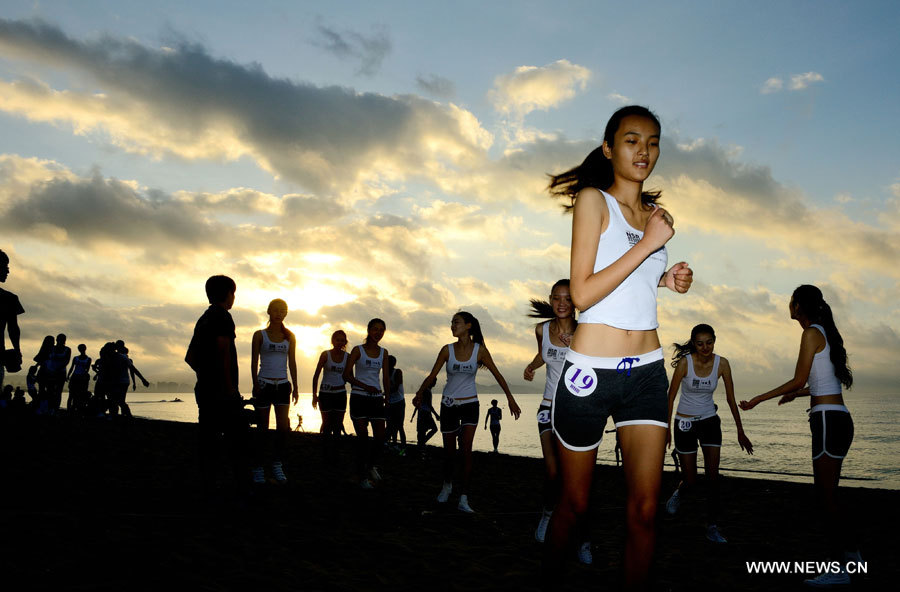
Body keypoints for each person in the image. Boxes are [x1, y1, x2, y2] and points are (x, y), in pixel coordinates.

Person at [543, 105, 693, 590]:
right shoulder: (593, 201)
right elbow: (583, 294)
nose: (643, 151)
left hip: (646, 372)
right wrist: (648, 247)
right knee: (575, 504)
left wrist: (666, 279)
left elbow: (631, 281)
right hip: (590, 372)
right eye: (631, 140)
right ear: (609, 148)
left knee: (647, 509)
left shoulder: (655, 217)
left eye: (652, 142)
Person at [739, 285, 859, 587]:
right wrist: (799, 396)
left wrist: (758, 399)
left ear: (799, 306)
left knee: (825, 498)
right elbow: (821, 383)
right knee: (830, 496)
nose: (788, 305)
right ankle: (852, 555)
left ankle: (839, 569)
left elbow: (798, 378)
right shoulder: (822, 332)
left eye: (791, 301)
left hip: (828, 422)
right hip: (837, 419)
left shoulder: (810, 334)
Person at [414, 311, 522, 513]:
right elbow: (432, 374)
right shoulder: (447, 350)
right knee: (448, 453)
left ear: (468, 325)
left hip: (470, 404)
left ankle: (463, 497)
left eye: (456, 322)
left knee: (465, 451)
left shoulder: (479, 351)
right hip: (448, 405)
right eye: (451, 323)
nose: (452, 326)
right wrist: (420, 392)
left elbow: (498, 374)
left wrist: (510, 398)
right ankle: (447, 487)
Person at [663, 324, 753, 544]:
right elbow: (671, 396)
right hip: (684, 422)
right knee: (691, 480)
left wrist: (741, 431)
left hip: (709, 422)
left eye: (709, 342)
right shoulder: (686, 363)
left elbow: (731, 399)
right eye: (700, 343)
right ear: (694, 343)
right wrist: (667, 430)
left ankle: (712, 527)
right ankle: (679, 493)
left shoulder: (722, 364)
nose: (705, 347)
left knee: (713, 479)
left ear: (715, 340)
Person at [523, 279, 591, 561]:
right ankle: (548, 515)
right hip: (548, 407)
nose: (562, 303)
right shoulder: (542, 329)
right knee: (553, 474)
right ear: (551, 300)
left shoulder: (586, 330)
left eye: (567, 298)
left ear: (575, 302)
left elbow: (596, 364)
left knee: (578, 481)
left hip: (578, 408)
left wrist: (576, 346)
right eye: (556, 298)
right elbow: (544, 353)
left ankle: (584, 539)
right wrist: (532, 365)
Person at [185, 275, 249, 500]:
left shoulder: (203, 319)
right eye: (234, 293)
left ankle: (208, 486)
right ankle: (237, 490)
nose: (234, 298)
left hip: (204, 390)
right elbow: (223, 351)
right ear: (228, 294)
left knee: (208, 440)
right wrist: (229, 388)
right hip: (223, 393)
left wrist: (205, 376)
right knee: (238, 443)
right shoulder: (223, 317)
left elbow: (190, 358)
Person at [249, 298, 299, 484]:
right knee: (262, 429)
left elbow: (292, 362)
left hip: (283, 385)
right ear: (269, 311)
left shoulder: (290, 336)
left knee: (283, 429)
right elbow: (254, 361)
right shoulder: (259, 335)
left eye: (283, 310)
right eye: (276, 310)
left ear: (286, 313)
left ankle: (277, 464)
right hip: (264, 384)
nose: (279, 313)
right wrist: (255, 383)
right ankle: (258, 467)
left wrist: (295, 386)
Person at [343, 318, 390, 489]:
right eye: (375, 329)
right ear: (369, 330)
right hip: (359, 397)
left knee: (380, 437)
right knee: (363, 438)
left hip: (376, 399)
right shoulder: (358, 350)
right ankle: (362, 476)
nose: (378, 333)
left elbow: (385, 378)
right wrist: (364, 386)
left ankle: (370, 467)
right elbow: (346, 375)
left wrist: (388, 398)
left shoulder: (384, 353)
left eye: (382, 330)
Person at [312, 330, 349, 443]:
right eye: (337, 340)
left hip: (340, 394)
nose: (340, 342)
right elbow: (316, 375)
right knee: (326, 424)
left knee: (338, 425)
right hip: (325, 394)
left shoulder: (348, 356)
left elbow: (349, 375)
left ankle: (335, 451)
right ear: (333, 341)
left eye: (342, 340)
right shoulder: (325, 354)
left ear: (345, 342)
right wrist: (314, 395)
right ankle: (325, 449)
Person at [0, 249, 24, 393]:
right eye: (5, 267)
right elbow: (13, 329)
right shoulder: (9, 299)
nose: (8, 271)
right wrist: (17, 350)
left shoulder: (9, 299)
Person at [410, 385, 439, 458]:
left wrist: (413, 416)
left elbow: (417, 405)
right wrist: (436, 415)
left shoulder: (423, 390)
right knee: (429, 430)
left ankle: (421, 445)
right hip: (425, 413)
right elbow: (429, 405)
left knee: (422, 431)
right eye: (434, 381)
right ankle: (421, 445)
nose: (435, 383)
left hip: (422, 413)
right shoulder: (427, 391)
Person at [44, 334, 71, 413]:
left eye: (62, 339)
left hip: (61, 373)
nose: (60, 341)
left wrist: (57, 369)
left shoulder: (67, 349)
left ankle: (55, 408)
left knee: (58, 391)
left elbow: (67, 361)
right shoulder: (51, 348)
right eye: (59, 339)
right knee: (50, 390)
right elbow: (47, 359)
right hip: (50, 372)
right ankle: (50, 407)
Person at [385, 355, 407, 450]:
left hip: (399, 402)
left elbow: (396, 387)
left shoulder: (397, 372)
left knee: (399, 426)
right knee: (389, 425)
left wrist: (384, 393)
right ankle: (393, 444)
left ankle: (403, 448)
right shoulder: (385, 373)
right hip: (390, 402)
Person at [66, 344, 92, 411]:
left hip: (81, 378)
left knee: (79, 395)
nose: (81, 350)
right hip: (75, 377)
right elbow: (72, 367)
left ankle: (76, 408)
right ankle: (69, 409)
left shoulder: (88, 359)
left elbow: (87, 369)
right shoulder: (75, 358)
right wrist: (68, 375)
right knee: (71, 394)